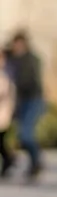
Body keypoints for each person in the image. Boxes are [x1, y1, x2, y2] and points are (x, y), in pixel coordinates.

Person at [6, 32, 45, 182]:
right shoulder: (13, 57)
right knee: (20, 136)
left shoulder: (31, 59)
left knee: (25, 134)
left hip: (33, 100)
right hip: (20, 101)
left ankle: (36, 162)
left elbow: (28, 81)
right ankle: (32, 163)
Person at [0, 49, 15, 178]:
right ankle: (9, 160)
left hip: (2, 113)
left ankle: (9, 160)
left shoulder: (5, 75)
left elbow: (4, 95)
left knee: (1, 141)